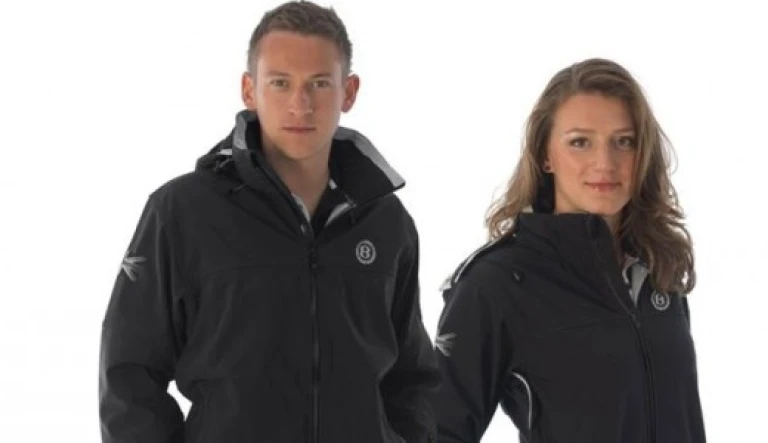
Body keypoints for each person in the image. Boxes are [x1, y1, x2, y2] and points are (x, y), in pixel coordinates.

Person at [98, 2, 440, 442]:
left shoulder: (385, 221)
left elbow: (411, 377)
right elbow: (129, 374)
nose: (301, 104)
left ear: (349, 91)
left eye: (319, 83)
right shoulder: (182, 212)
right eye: (280, 83)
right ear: (249, 89)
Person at [432, 58, 706, 442]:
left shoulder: (657, 268)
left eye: (624, 141)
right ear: (545, 154)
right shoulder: (498, 283)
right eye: (580, 142)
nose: (604, 163)